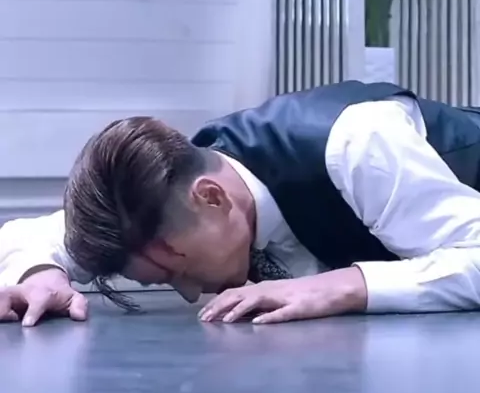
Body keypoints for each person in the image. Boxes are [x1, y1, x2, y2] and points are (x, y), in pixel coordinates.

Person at [2, 79, 480, 327]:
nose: (190, 294)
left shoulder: (358, 142)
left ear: (211, 198)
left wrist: (339, 287)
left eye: (177, 271)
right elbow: (29, 234)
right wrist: (40, 275)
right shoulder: (162, 194)